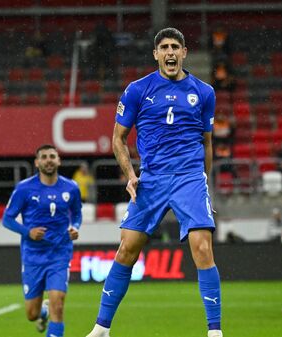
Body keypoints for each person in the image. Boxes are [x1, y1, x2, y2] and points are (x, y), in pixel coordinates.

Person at [85, 28, 222, 337]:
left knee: (202, 247)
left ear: (184, 53)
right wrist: (131, 175)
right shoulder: (137, 90)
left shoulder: (204, 92)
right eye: (164, 47)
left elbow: (207, 142)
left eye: (176, 46)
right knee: (126, 250)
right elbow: (118, 139)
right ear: (156, 54)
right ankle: (102, 328)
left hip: (189, 178)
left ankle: (214, 330)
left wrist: (203, 179)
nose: (170, 52)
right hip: (152, 179)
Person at [2, 144, 82, 337]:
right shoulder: (24, 189)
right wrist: (27, 232)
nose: (48, 160)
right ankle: (42, 313)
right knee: (32, 314)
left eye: (52, 156)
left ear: (59, 161)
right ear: (37, 163)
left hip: (59, 253)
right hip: (33, 256)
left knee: (58, 303)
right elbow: (7, 219)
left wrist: (75, 228)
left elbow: (77, 215)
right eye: (44, 157)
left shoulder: (71, 188)